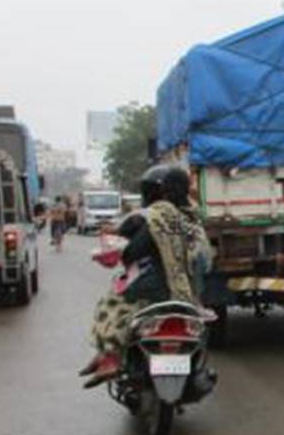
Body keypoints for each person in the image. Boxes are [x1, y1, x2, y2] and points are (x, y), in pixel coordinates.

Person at [80, 165, 212, 388]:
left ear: (162, 190)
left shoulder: (158, 216)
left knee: (111, 305)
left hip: (157, 290)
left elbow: (133, 251)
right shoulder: (193, 219)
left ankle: (110, 356)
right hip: (190, 295)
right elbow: (206, 261)